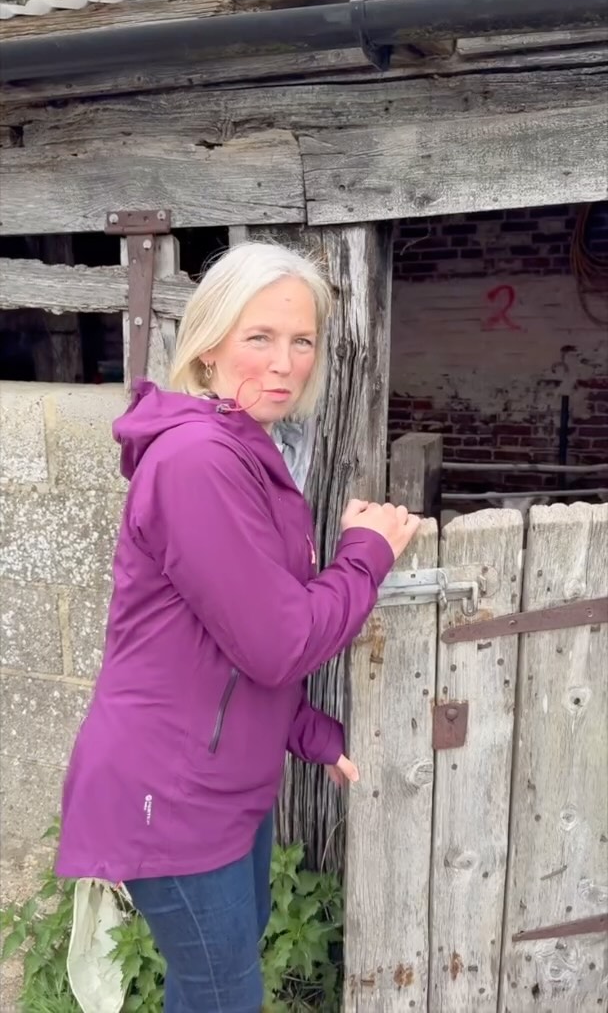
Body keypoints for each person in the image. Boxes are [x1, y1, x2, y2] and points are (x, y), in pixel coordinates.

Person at [56, 241, 421, 1013]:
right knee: (222, 992)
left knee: (223, 966)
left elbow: (220, 648)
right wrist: (366, 554)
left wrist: (310, 732)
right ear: (210, 344)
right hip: (172, 792)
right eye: (260, 338)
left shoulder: (247, 452)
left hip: (224, 783)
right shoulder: (198, 461)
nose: (284, 363)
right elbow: (278, 640)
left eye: (302, 340)